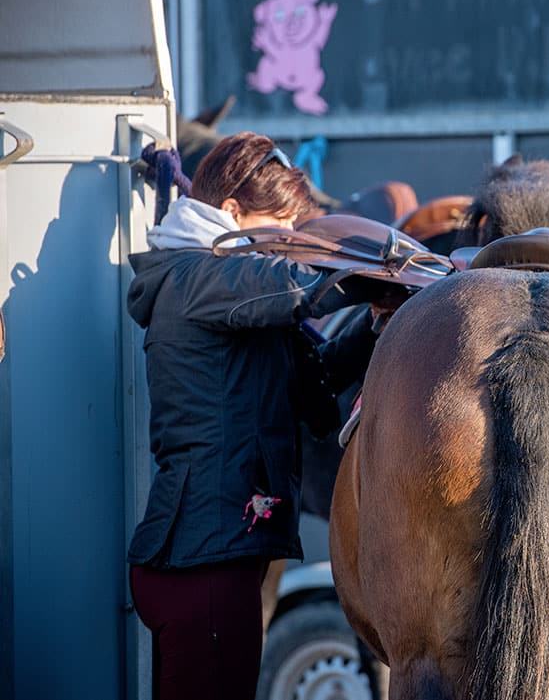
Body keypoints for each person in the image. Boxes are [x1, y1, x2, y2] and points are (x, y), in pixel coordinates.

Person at [125, 133, 383, 700]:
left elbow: (317, 392)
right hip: (203, 564)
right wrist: (380, 266)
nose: (288, 244)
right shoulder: (196, 276)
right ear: (233, 214)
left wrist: (377, 319)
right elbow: (298, 286)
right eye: (280, 228)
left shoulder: (231, 288)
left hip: (218, 558)